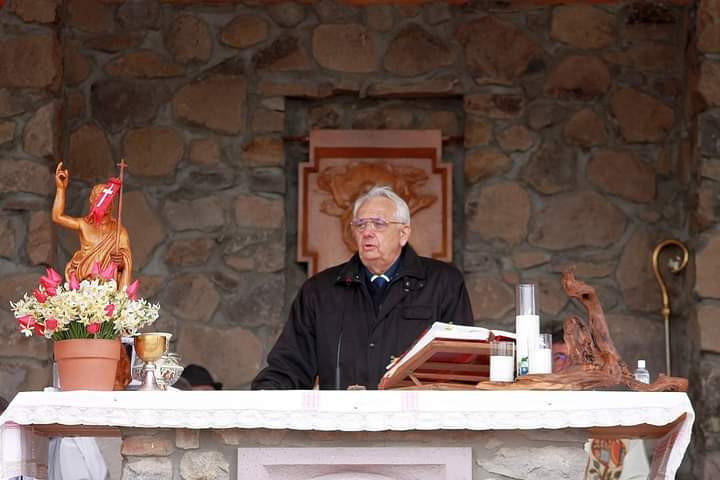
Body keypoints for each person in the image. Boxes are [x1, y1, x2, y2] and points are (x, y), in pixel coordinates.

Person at [252, 185, 474, 390]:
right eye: (360, 224)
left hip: (415, 418)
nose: (367, 232)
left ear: (403, 233)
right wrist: (262, 397)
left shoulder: (443, 283)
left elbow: (461, 363)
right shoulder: (320, 291)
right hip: (343, 418)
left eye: (378, 223)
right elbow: (290, 365)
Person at [52, 162, 132, 291]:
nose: (104, 204)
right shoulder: (84, 224)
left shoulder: (119, 232)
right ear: (92, 202)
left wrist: (121, 261)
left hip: (108, 289)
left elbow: (124, 261)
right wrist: (60, 189)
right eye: (99, 200)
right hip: (83, 284)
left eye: (107, 200)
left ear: (112, 203)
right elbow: (57, 217)